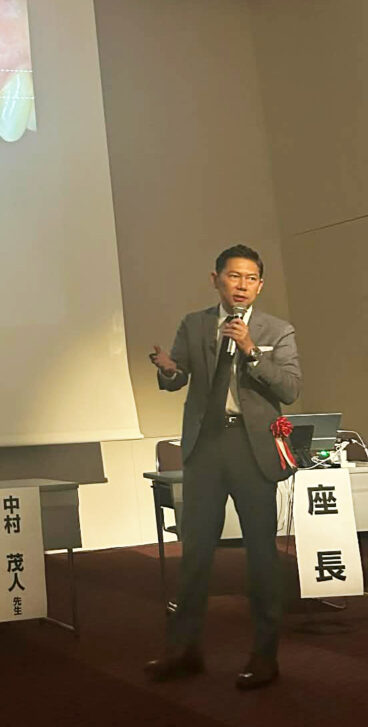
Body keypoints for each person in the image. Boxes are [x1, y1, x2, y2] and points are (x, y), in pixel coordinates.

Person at [144, 244, 301, 690]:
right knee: (195, 553)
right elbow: (177, 377)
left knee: (261, 555)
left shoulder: (277, 330)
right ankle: (184, 650)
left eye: (250, 279)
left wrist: (251, 350)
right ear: (216, 280)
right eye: (234, 276)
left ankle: (265, 656)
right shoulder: (194, 324)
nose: (242, 286)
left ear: (260, 286)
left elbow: (289, 389)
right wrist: (168, 370)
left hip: (252, 449)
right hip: (206, 448)